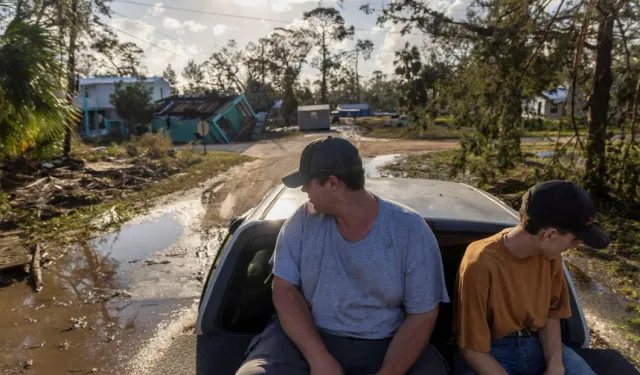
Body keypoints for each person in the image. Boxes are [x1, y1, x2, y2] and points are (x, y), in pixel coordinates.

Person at [236, 136, 450, 375]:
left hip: (388, 342)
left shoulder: (409, 229)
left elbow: (423, 313)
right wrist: (318, 358)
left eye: (308, 182)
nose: (304, 190)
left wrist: (389, 372)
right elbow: (284, 289)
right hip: (308, 337)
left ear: (333, 183)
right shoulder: (302, 221)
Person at [453, 180, 611, 375]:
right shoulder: (480, 262)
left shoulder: (550, 256)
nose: (576, 245)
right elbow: (471, 349)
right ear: (550, 234)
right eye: (575, 238)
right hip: (489, 353)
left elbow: (551, 314)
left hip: (538, 344)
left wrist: (555, 365)